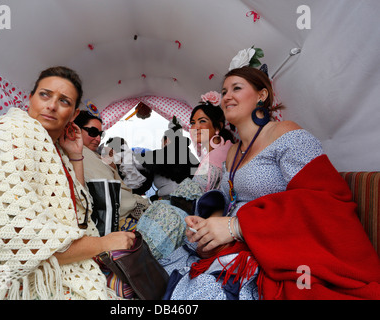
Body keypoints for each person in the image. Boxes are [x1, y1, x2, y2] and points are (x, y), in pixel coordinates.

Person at [160, 66, 380, 300]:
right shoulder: (233, 151)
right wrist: (208, 224)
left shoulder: (286, 133)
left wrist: (237, 226)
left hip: (271, 245)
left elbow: (325, 198)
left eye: (237, 88)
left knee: (208, 289)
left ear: (262, 95)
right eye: (223, 92)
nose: (227, 96)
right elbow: (228, 197)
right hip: (233, 244)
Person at [0, 66, 136, 300]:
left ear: (73, 114)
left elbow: (78, 216)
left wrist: (76, 155)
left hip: (50, 259)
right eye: (45, 95)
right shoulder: (6, 136)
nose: (51, 105)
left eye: (64, 101)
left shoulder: (53, 147)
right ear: (30, 98)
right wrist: (102, 243)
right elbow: (16, 243)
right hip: (4, 274)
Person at [136, 94, 234, 260]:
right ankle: (135, 258)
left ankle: (139, 262)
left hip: (201, 215)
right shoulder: (207, 154)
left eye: (202, 121)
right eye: (193, 123)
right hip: (186, 209)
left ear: (218, 127)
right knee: (158, 209)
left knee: (163, 213)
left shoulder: (223, 152)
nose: (195, 127)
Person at [74, 111, 150, 230]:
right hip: (114, 217)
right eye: (93, 132)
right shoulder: (83, 155)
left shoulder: (94, 155)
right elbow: (110, 193)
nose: (98, 138)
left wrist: (112, 167)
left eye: (100, 134)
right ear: (76, 130)